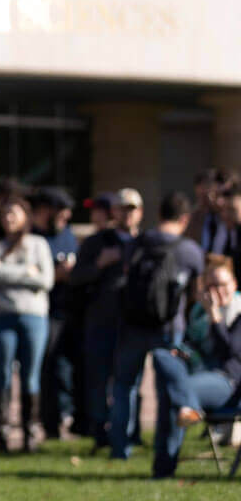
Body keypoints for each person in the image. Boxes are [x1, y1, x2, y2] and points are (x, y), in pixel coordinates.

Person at [108, 192, 204, 460]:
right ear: (185, 218)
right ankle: (165, 452)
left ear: (158, 214)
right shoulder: (190, 250)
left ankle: (120, 448)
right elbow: (196, 294)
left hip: (132, 324)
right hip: (168, 327)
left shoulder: (138, 243)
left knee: (124, 386)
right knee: (169, 390)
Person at [148, 258, 241, 478]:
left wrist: (215, 316)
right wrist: (182, 352)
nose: (217, 291)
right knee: (162, 356)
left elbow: (230, 353)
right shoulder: (199, 313)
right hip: (197, 374)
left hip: (227, 381)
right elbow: (193, 344)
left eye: (222, 284)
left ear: (234, 284)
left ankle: (162, 470)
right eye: (211, 286)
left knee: (173, 392)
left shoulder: (238, 312)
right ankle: (187, 406)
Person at [0, 195, 54, 452]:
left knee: (30, 376)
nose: (9, 218)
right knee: (1, 375)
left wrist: (6, 273)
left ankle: (30, 436)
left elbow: (46, 280)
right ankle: (1, 436)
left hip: (33, 317)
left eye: (14, 213)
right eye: (5, 214)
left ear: (25, 216)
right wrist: (26, 272)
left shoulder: (38, 244)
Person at [71, 190, 134, 451]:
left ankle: (128, 431)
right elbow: (76, 277)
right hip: (99, 321)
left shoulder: (139, 241)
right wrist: (100, 264)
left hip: (131, 323)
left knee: (128, 380)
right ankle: (100, 431)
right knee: (97, 380)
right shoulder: (94, 243)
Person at [31, 188, 80, 438]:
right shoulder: (33, 238)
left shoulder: (68, 235)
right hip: (45, 313)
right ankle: (51, 423)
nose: (66, 216)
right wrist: (55, 275)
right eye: (61, 211)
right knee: (49, 368)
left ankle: (71, 417)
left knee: (69, 366)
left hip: (70, 310)